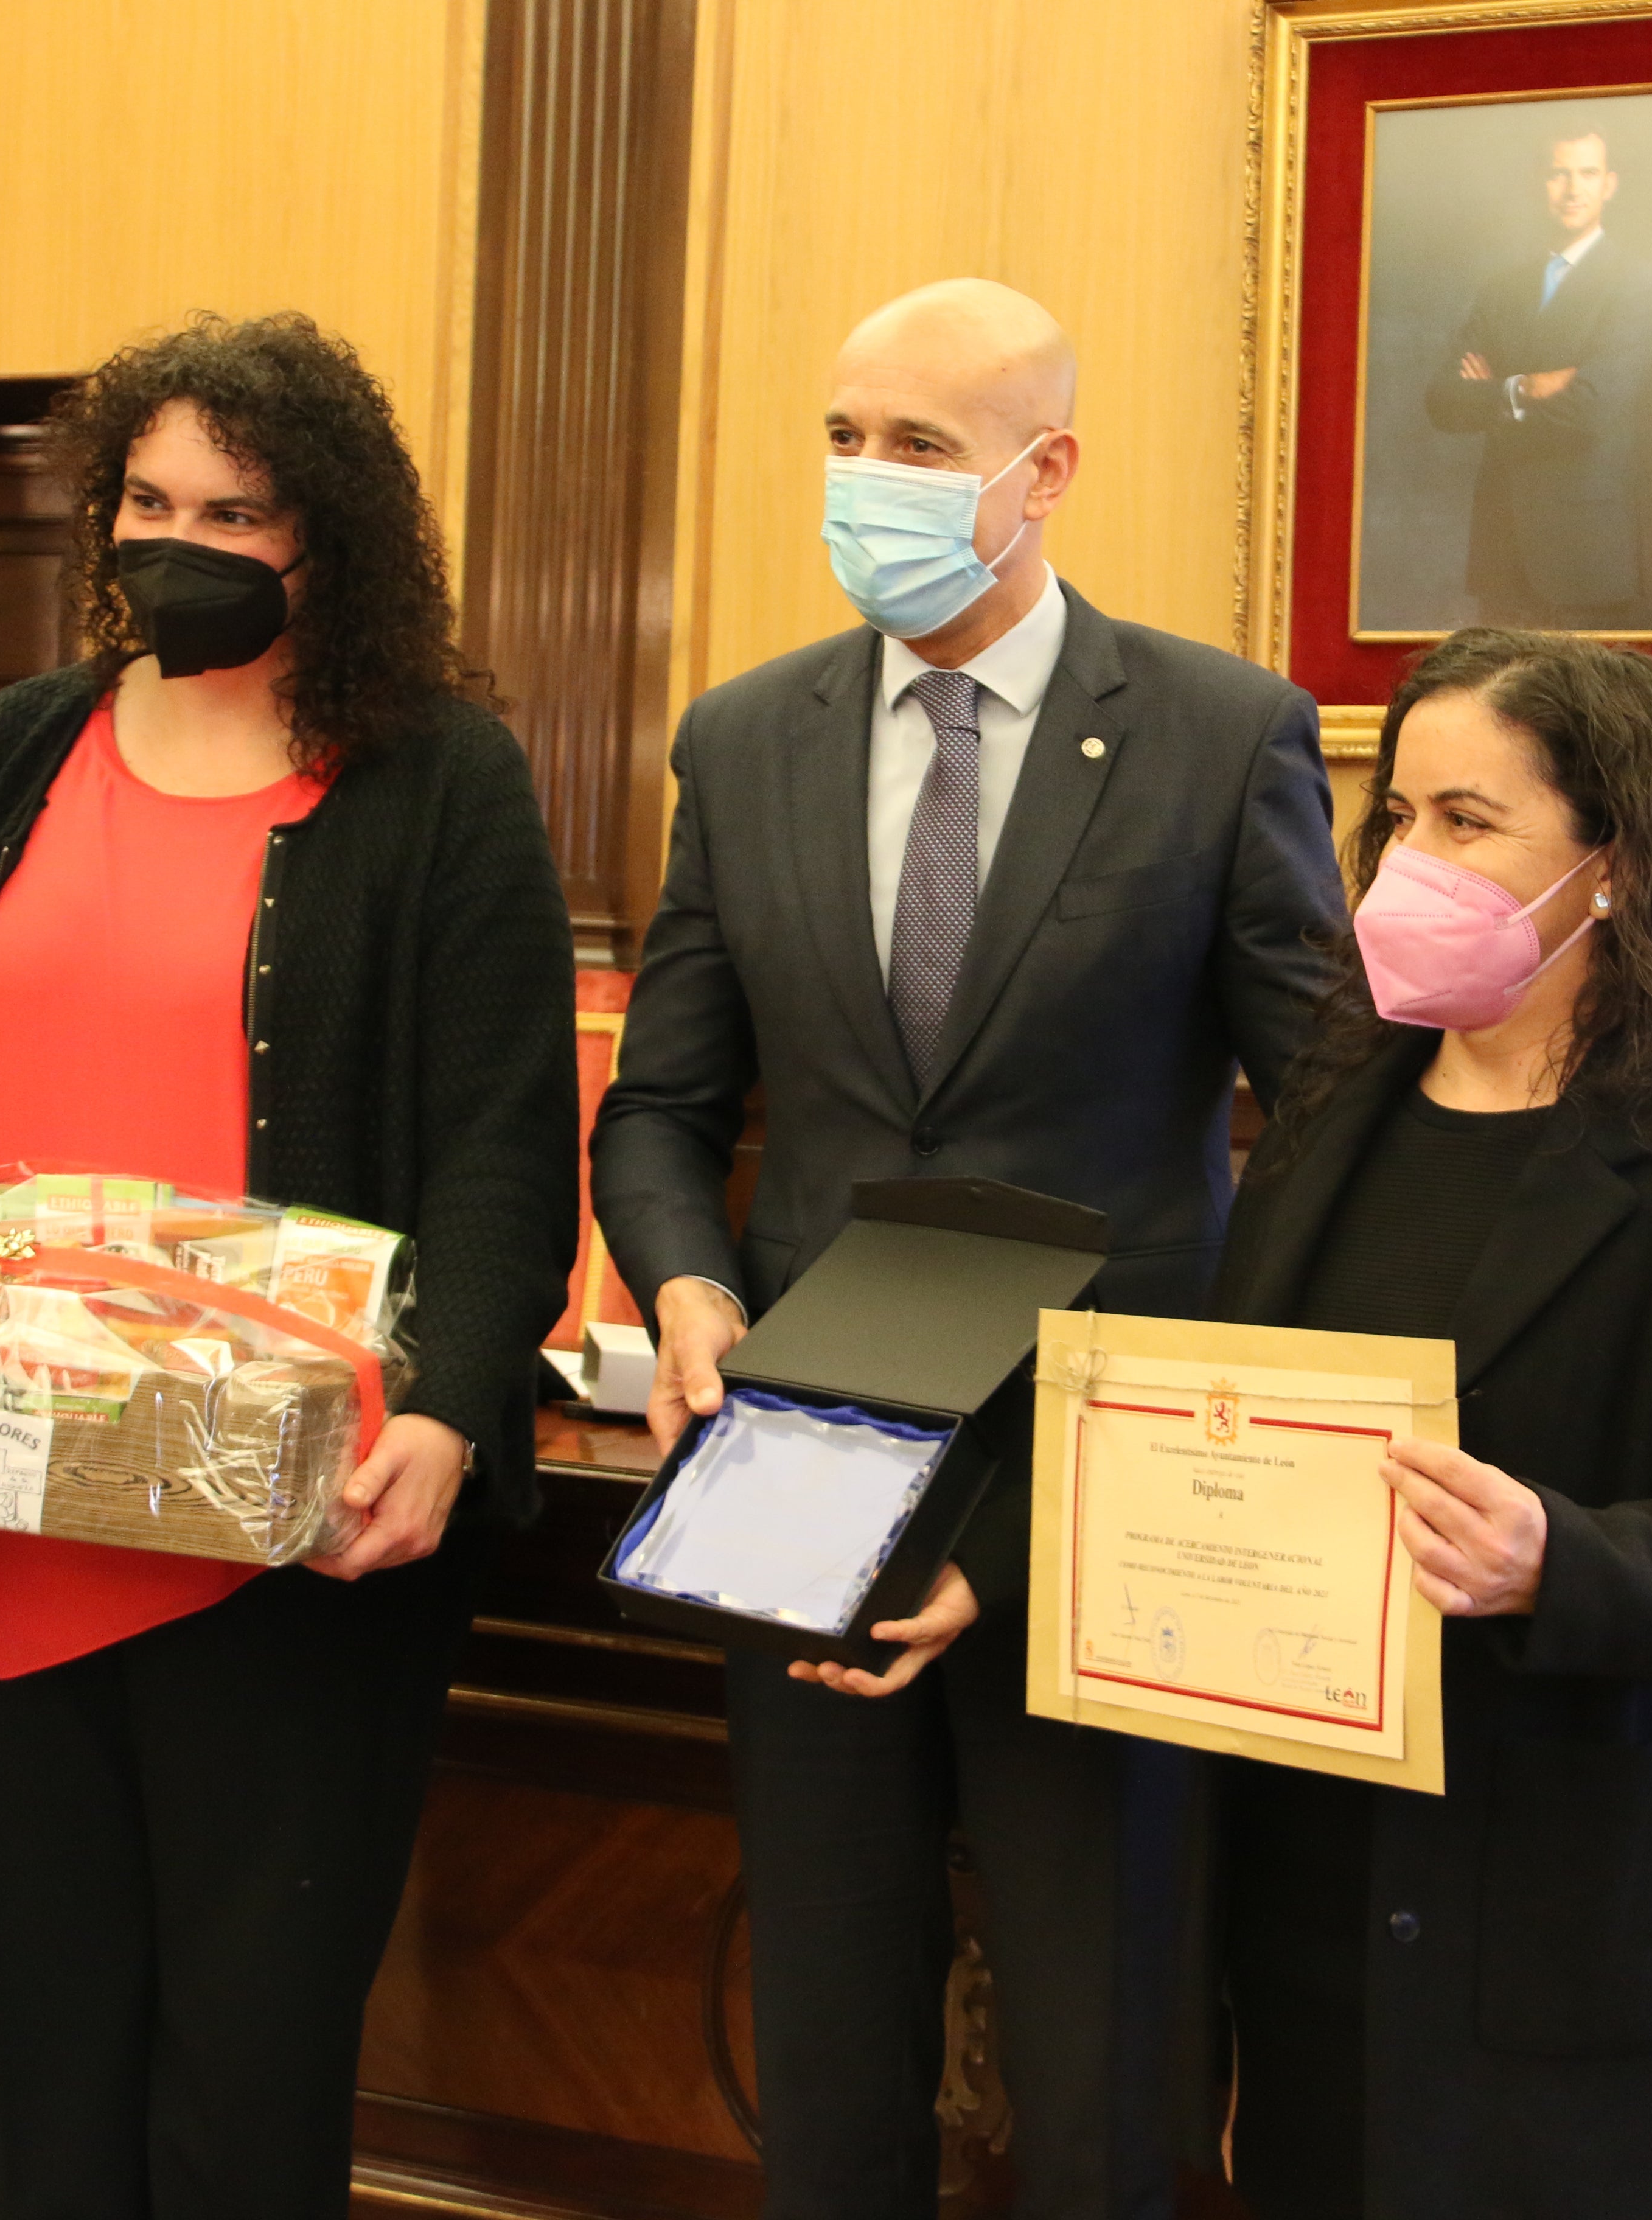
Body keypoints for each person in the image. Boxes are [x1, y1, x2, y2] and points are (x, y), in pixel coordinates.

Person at [0, 313, 579, 2218]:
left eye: (236, 511)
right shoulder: (14, 744)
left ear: (326, 540)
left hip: (294, 1525)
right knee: (36, 2081)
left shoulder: (439, 779)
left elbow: (508, 1139)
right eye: (149, 498)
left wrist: (448, 1401)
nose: (179, 540)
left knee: (244, 2093)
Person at [590, 278, 1345, 2218]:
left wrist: (1038, 1528)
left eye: (918, 446)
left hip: (1107, 1507)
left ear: (1045, 472)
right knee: (829, 2056)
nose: (867, 481)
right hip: (803, 1475)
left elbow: (1331, 1140)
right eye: (844, 437)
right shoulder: (746, 740)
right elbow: (663, 1110)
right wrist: (685, 1284)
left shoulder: (1213, 733)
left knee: (1107, 2076)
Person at [1207, 627, 1652, 2218]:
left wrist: (1553, 1559)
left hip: (1578, 1946)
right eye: (1398, 821)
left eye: (1467, 823)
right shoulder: (1323, 1124)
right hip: (1317, 1916)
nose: (1406, 864)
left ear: (1616, 865)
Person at [1422, 128, 1652, 630]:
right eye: (1559, 174)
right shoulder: (1502, 289)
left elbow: (1594, 408)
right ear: (1541, 183)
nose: (1573, 188)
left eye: (1588, 173)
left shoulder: (1636, 284)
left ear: (1610, 185)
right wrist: (1524, 388)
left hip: (1584, 556)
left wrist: (1492, 395)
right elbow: (1443, 401)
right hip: (1502, 553)